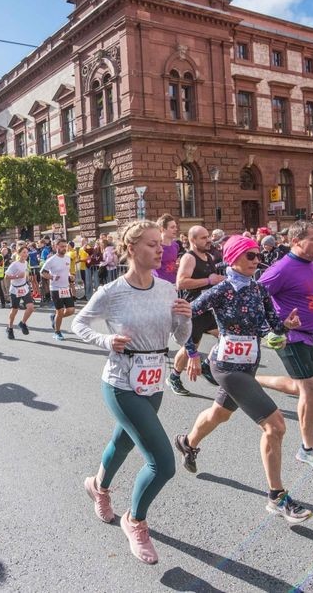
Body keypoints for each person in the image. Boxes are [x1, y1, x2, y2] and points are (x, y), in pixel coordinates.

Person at [73, 220, 192, 564]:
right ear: (131, 250)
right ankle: (135, 520)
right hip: (121, 383)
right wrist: (107, 340)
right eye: (153, 244)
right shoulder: (112, 292)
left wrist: (184, 319)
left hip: (154, 381)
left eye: (161, 244)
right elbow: (80, 323)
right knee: (162, 463)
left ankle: (98, 485)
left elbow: (181, 339)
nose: (161, 249)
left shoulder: (168, 289)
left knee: (123, 442)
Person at [172, 236, 310, 524]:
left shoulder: (258, 289)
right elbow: (185, 319)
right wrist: (193, 353)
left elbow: (272, 324)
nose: (256, 260)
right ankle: (277, 496)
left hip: (248, 364)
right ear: (233, 258)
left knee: (219, 414)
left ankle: (188, 442)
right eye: (250, 255)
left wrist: (286, 325)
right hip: (225, 365)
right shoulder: (220, 290)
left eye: (257, 255)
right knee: (275, 426)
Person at [251, 220, 313, 473]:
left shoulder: (311, 265)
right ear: (296, 241)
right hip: (291, 337)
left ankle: (253, 378)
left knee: (300, 386)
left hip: (310, 335)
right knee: (312, 390)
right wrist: (272, 328)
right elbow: (254, 299)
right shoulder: (281, 269)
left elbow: (311, 298)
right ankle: (307, 449)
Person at [170, 225, 225, 395]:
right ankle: (174, 376)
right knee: (189, 348)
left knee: (226, 337)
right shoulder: (189, 257)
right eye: (203, 238)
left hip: (208, 309)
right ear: (192, 240)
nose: (208, 240)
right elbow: (181, 282)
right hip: (192, 310)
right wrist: (209, 280)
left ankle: (208, 364)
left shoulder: (208, 256)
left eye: (208, 236)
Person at [41, 239, 76, 341]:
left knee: (71, 310)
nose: (64, 248)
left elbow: (67, 271)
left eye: (65, 246)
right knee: (60, 311)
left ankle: (55, 317)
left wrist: (70, 276)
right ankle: (57, 332)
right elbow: (42, 272)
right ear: (56, 247)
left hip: (66, 288)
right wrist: (51, 277)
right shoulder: (51, 260)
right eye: (62, 246)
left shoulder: (67, 258)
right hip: (56, 289)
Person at [4, 245, 37, 339]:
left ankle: (22, 323)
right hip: (15, 289)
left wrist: (27, 277)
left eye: (27, 252)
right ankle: (10, 328)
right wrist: (18, 276)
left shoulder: (26, 262)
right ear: (19, 253)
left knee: (30, 308)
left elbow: (25, 273)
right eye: (24, 252)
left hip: (24, 288)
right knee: (15, 310)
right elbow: (6, 276)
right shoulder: (14, 264)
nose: (26, 254)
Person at [153, 214, 181, 284]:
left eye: (175, 227)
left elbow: (172, 263)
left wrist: (177, 265)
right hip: (159, 284)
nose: (176, 229)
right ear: (162, 229)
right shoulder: (156, 246)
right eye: (172, 227)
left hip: (174, 284)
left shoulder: (176, 245)